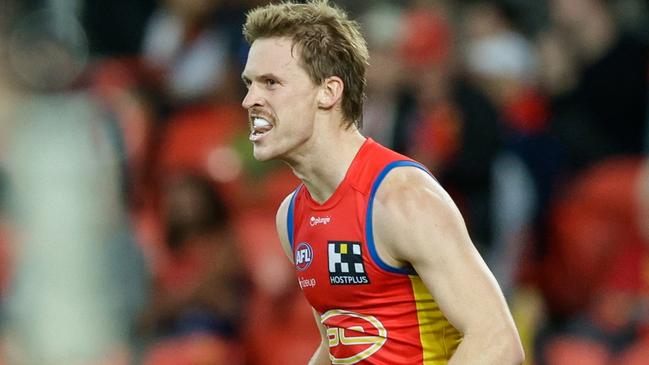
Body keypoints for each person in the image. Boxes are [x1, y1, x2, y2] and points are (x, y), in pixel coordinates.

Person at [240, 1, 524, 364]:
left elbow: (498, 341)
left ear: (328, 92)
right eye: (249, 84)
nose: (250, 100)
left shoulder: (403, 199)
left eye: (271, 83)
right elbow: (340, 342)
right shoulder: (292, 218)